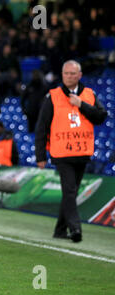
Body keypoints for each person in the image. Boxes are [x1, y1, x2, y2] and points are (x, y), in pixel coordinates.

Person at [35, 60, 107, 242]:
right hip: (61, 153)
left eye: (72, 73)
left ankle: (60, 230)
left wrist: (81, 104)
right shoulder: (53, 96)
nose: (69, 76)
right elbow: (41, 127)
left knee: (71, 193)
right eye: (66, 73)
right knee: (69, 191)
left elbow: (101, 117)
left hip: (82, 152)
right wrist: (40, 155)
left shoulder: (89, 94)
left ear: (80, 75)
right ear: (62, 74)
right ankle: (75, 229)